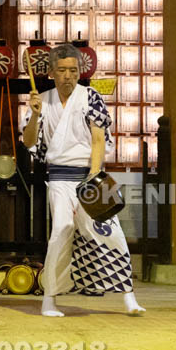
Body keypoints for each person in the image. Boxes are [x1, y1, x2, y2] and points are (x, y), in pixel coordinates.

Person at [21, 43, 145, 317]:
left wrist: (94, 175)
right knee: (62, 230)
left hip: (89, 176)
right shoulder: (42, 100)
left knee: (110, 231)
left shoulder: (91, 97)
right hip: (59, 179)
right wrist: (36, 114)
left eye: (73, 70)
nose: (68, 75)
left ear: (80, 72)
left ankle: (128, 298)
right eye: (62, 70)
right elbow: (29, 142)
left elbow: (99, 138)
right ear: (52, 72)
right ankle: (49, 300)